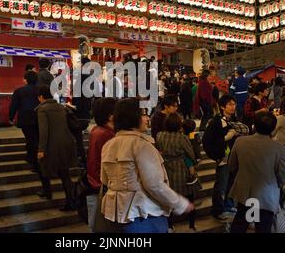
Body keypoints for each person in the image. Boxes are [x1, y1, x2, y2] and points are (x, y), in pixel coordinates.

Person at [100, 98, 194, 233]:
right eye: (144, 114)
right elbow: (155, 185)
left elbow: (104, 180)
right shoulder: (142, 145)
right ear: (133, 117)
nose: (147, 118)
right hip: (144, 213)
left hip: (117, 213)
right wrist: (180, 203)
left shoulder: (109, 145)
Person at [229, 112, 285, 233]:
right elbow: (284, 175)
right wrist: (275, 184)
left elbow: (232, 166)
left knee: (241, 223)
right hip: (266, 194)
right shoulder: (280, 148)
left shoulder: (240, 142)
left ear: (254, 126)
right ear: (273, 129)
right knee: (263, 226)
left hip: (245, 192)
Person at [202, 95, 248, 221]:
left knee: (231, 183)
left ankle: (228, 205)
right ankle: (217, 210)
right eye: (230, 104)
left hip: (234, 157)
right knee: (221, 184)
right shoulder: (216, 121)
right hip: (223, 158)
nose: (233, 107)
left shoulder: (233, 120)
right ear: (222, 106)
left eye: (234, 104)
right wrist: (224, 140)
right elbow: (207, 141)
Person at [156, 113, 201, 231]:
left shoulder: (160, 135)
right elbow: (190, 153)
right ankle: (191, 225)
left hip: (166, 168)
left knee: (168, 198)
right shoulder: (182, 138)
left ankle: (170, 226)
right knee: (189, 198)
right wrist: (193, 164)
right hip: (181, 169)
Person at [36, 85, 77, 211]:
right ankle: (71, 201)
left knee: (44, 168)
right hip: (66, 143)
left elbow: (44, 131)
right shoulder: (61, 107)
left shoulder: (42, 109)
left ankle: (48, 192)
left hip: (52, 146)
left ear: (41, 97)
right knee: (65, 174)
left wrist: (41, 149)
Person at [86, 97, 117, 232]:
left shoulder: (96, 130)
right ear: (111, 116)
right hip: (101, 186)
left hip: (93, 183)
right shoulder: (108, 135)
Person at [9, 71, 40, 172]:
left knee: (30, 140)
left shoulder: (19, 91)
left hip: (25, 119)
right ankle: (32, 158)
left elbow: (14, 106)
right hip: (39, 118)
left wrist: (11, 117)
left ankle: (34, 162)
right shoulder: (41, 90)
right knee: (36, 139)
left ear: (25, 79)